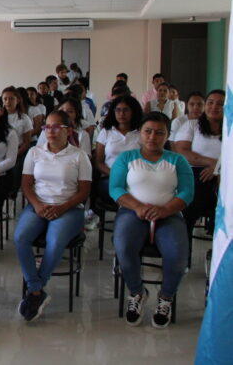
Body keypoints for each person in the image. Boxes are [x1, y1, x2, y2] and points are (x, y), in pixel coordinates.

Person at [110, 112, 194, 328]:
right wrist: (138, 207)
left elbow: (186, 192)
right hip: (132, 212)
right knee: (124, 247)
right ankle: (137, 292)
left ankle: (166, 298)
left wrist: (165, 210)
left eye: (159, 133)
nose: (152, 137)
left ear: (167, 135)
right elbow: (116, 188)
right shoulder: (126, 158)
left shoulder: (178, 160)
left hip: (169, 214)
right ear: (140, 133)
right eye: (148, 131)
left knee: (177, 254)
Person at [15, 110, 92, 322]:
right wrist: (38, 205)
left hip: (69, 209)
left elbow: (84, 192)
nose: (51, 131)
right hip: (38, 206)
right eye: (47, 126)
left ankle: (34, 291)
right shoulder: (34, 152)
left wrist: (62, 207)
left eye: (56, 126)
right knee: (21, 237)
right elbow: (26, 185)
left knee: (55, 240)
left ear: (68, 130)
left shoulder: (79, 156)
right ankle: (36, 290)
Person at [174, 89, 224, 245]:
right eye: (210, 102)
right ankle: (184, 256)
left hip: (226, 175)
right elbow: (182, 151)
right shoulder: (191, 125)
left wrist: (218, 169)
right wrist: (213, 164)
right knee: (190, 204)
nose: (214, 107)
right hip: (195, 173)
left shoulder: (230, 129)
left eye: (220, 104)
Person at [94, 95, 143, 202]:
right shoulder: (105, 132)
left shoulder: (141, 133)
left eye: (126, 110)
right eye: (118, 110)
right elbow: (98, 162)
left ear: (133, 112)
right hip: (110, 177)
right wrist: (115, 174)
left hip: (137, 177)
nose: (121, 114)